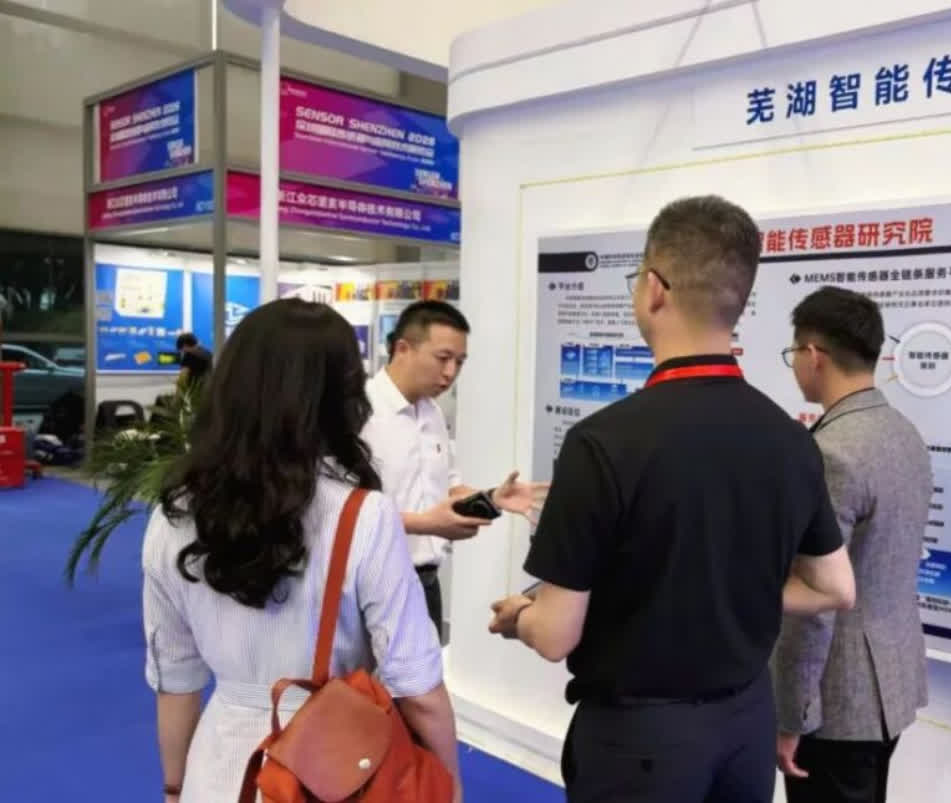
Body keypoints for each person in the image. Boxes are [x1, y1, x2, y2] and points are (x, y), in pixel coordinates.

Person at [488, 195, 857, 803]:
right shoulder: (792, 439)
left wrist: (518, 618)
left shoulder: (601, 442)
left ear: (654, 289)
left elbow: (554, 636)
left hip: (641, 742)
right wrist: (729, 594)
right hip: (745, 729)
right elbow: (836, 588)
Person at [141, 299, 462, 803]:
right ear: (342, 396)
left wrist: (175, 787)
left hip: (219, 762)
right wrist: (449, 784)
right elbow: (418, 688)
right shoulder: (364, 516)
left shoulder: (174, 515)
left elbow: (176, 680)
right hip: (331, 767)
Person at [773, 286, 933, 803]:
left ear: (813, 355)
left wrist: (792, 715)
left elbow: (816, 603)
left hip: (836, 701)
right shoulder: (903, 432)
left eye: (794, 353)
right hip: (889, 683)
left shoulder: (830, 453)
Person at [362, 300, 546, 642]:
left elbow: (448, 488)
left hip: (425, 584)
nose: (450, 373)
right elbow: (345, 513)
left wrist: (493, 498)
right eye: (443, 358)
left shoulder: (432, 413)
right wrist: (424, 524)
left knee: (424, 675)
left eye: (459, 362)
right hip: (370, 587)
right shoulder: (359, 413)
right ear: (403, 349)